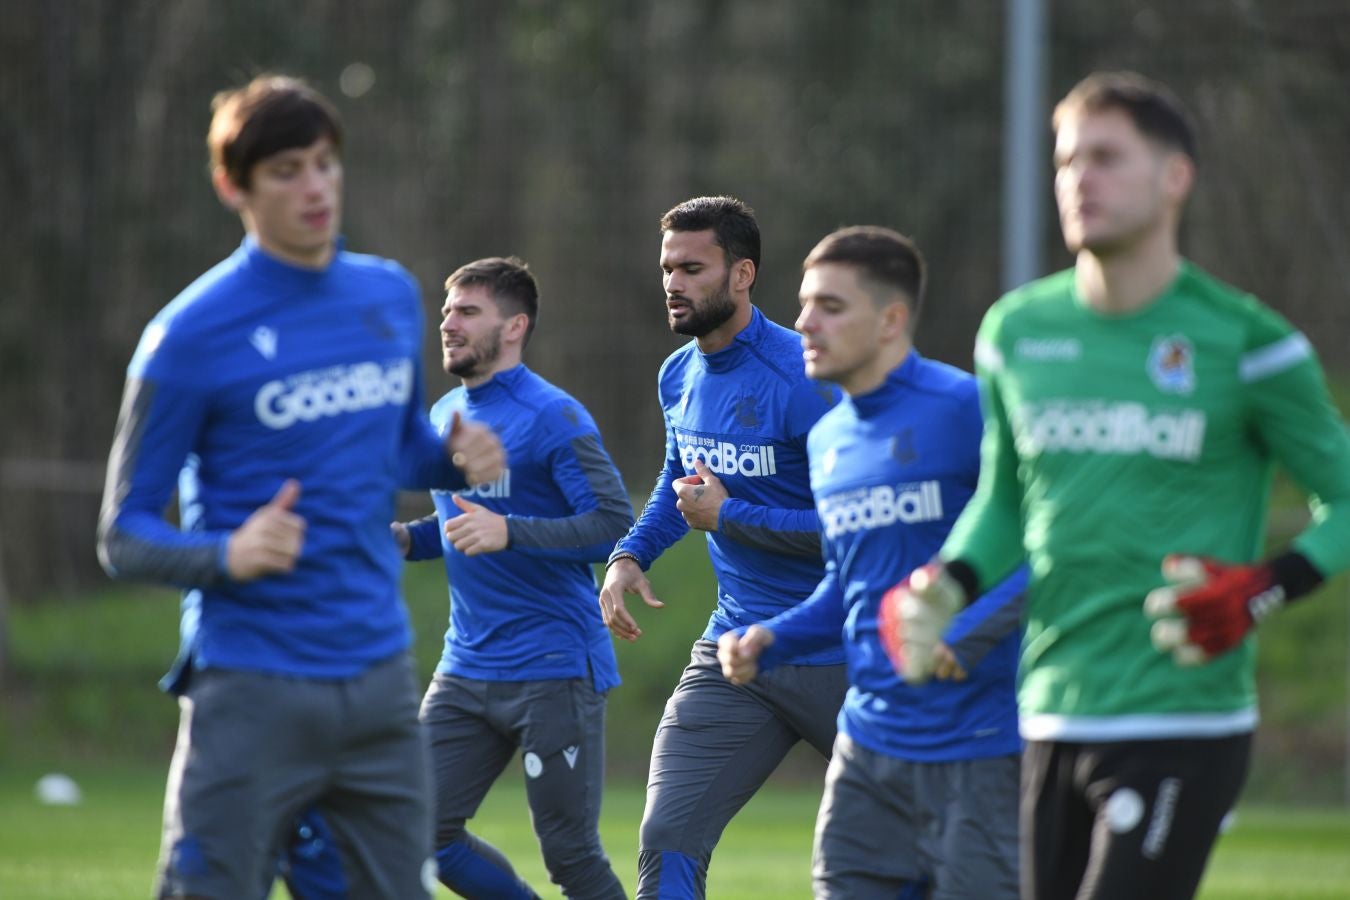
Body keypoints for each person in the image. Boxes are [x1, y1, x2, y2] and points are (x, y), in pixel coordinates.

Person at [882, 71, 1350, 900]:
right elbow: (1006, 502)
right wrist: (943, 586)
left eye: (1105, 157)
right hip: (1054, 706)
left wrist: (1261, 591)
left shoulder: (1250, 343)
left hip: (1183, 715)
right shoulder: (1016, 332)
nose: (1078, 179)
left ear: (1175, 177)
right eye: (1065, 161)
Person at [96, 74, 502, 900]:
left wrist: (453, 460)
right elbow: (123, 532)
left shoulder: (387, 295)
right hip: (251, 686)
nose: (315, 186)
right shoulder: (187, 334)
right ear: (233, 186)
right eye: (286, 170)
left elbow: (398, 457)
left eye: (324, 163)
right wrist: (225, 554)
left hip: (380, 680)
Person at [717, 226, 1025, 899]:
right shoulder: (827, 442)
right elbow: (847, 588)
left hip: (978, 744)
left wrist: (970, 634)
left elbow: (1044, 549)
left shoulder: (964, 408)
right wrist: (774, 638)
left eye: (830, 305)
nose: (803, 322)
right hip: (866, 748)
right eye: (803, 304)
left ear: (891, 320)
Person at [597, 196, 846, 899]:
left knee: (931, 841)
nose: (674, 282)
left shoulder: (807, 378)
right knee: (668, 838)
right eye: (667, 267)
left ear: (742, 274)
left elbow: (853, 534)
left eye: (692, 268)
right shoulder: (677, 374)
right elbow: (680, 490)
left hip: (842, 647)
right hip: (735, 652)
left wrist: (732, 516)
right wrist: (630, 555)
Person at [399, 256, 632, 899]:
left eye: (467, 311)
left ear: (514, 326)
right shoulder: (445, 411)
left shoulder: (555, 416)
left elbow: (614, 523)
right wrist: (403, 541)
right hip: (465, 668)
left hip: (554, 667)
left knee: (572, 856)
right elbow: (461, 523)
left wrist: (514, 532)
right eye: (447, 310)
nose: (448, 323)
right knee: (417, 833)